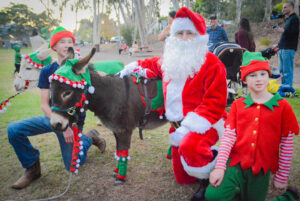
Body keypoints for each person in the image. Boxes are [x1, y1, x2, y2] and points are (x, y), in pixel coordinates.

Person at [119, 7, 227, 201]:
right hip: (178, 127)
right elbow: (153, 64)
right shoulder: (170, 59)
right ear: (173, 35)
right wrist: (133, 67)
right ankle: (202, 160)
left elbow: (215, 103)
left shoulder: (211, 63)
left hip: (207, 123)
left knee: (191, 147)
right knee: (182, 179)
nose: (184, 38)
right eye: (179, 33)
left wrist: (189, 128)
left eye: (190, 33)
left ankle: (211, 174)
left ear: (199, 36)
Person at [7, 26, 106, 190]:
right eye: (62, 42)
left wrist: (101, 74)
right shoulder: (47, 71)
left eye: (70, 42)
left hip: (71, 123)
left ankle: (89, 138)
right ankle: (32, 168)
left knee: (72, 165)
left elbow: (95, 74)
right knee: (14, 130)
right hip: (52, 117)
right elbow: (44, 104)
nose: (67, 45)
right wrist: (60, 126)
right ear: (54, 47)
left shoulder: (79, 68)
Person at [205, 51, 300, 201]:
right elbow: (229, 137)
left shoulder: (283, 106)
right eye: (252, 75)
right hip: (236, 162)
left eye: (263, 74)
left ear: (269, 76)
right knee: (213, 196)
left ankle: (289, 197)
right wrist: (220, 167)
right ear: (245, 80)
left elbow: (287, 143)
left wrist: (282, 175)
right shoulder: (237, 105)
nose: (258, 79)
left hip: (261, 168)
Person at [275, 1, 299, 90]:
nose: (283, 9)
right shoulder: (288, 19)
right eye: (283, 7)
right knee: (282, 70)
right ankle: (284, 89)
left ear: (291, 8)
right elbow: (286, 34)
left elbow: (295, 33)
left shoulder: (295, 19)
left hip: (288, 48)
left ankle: (288, 89)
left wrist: (283, 31)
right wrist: (278, 45)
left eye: (285, 7)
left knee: (287, 71)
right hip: (283, 48)